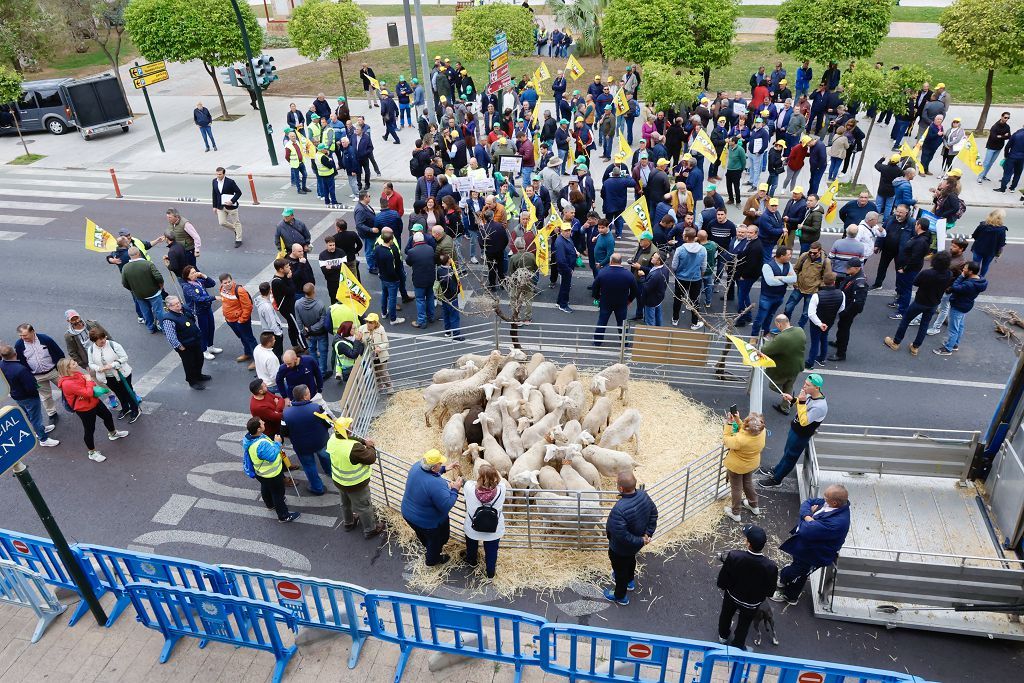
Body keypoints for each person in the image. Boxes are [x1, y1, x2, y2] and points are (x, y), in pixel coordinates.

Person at [771, 484, 850, 605]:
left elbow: (806, 530)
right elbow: (807, 502)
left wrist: (807, 517)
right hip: (807, 548)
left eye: (826, 496)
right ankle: (787, 580)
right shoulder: (831, 504)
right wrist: (808, 517)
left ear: (834, 502)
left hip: (815, 554)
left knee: (797, 573)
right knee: (798, 568)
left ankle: (790, 596)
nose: (823, 498)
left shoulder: (837, 522)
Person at [758, 374, 828, 487]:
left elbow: (804, 421)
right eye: (805, 383)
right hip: (795, 429)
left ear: (816, 388)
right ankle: (777, 470)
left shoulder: (820, 407)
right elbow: (804, 406)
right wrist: (793, 399)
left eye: (807, 385)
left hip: (801, 434)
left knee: (790, 456)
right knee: (787, 451)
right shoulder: (811, 395)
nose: (804, 386)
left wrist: (800, 402)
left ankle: (777, 480)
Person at [717, 524, 778, 651]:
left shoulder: (734, 556)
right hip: (751, 603)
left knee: (726, 615)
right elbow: (770, 591)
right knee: (744, 624)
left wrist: (723, 587)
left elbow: (723, 578)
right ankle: (737, 646)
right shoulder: (771, 566)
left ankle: (723, 636)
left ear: (748, 543)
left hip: (732, 596)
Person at [56, 358, 128, 463]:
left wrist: (88, 384)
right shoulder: (67, 383)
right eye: (73, 364)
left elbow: (91, 387)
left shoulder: (77, 374)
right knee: (89, 430)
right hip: (84, 409)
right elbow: (89, 391)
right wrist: (88, 382)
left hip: (94, 402)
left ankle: (113, 433)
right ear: (67, 369)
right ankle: (92, 452)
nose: (76, 364)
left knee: (107, 415)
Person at [603, 471, 658, 606]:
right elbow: (654, 514)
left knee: (620, 570)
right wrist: (647, 535)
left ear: (621, 488)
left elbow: (621, 535)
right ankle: (630, 581)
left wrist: (641, 540)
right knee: (631, 559)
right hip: (635, 544)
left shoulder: (619, 509)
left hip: (620, 548)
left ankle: (620, 596)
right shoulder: (643, 495)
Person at [326, 417, 385, 538]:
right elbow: (370, 458)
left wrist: (363, 441)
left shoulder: (332, 439)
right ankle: (370, 530)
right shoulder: (353, 448)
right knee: (364, 507)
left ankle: (349, 522)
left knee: (345, 503)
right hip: (355, 484)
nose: (352, 427)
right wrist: (370, 446)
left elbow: (349, 439)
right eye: (350, 426)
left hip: (339, 480)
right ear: (348, 430)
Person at [885, 250, 953, 355]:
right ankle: (915, 347)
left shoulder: (927, 273)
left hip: (920, 301)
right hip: (933, 303)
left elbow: (916, 282)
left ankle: (896, 342)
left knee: (906, 320)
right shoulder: (949, 274)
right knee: (924, 324)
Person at [402, 450, 462, 566]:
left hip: (408, 513)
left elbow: (430, 475)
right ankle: (432, 560)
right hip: (427, 522)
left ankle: (427, 544)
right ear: (434, 468)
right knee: (436, 541)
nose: (441, 464)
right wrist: (455, 489)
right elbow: (446, 506)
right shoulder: (436, 484)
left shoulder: (416, 466)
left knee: (423, 535)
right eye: (440, 463)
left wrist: (445, 468)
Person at [242, 417, 301, 524]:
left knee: (265, 487)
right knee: (278, 494)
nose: (264, 422)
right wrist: (277, 443)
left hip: (261, 474)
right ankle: (284, 516)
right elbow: (272, 456)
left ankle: (270, 504)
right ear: (258, 429)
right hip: (272, 474)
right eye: (261, 423)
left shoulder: (251, 438)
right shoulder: (261, 444)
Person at [0, 344, 59, 447]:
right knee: (36, 418)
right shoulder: (20, 369)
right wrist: (36, 392)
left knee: (30, 415)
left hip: (16, 396)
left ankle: (39, 430)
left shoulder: (1, 365)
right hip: (29, 397)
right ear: (15, 353)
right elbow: (31, 387)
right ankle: (43, 439)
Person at [283, 384, 331, 495]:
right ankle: (331, 473)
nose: (310, 394)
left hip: (301, 446)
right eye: (309, 392)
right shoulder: (317, 408)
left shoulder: (286, 414)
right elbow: (329, 423)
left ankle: (317, 488)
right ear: (305, 397)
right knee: (326, 457)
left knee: (309, 466)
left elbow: (284, 432)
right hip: (321, 442)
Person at [86, 329, 140, 423]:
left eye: (103, 337)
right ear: (94, 341)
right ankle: (125, 408)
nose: (103, 340)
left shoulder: (113, 345)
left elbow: (124, 357)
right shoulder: (91, 350)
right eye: (99, 339)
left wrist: (112, 365)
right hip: (107, 377)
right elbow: (90, 363)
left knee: (128, 392)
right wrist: (99, 368)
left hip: (122, 374)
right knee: (118, 393)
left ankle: (135, 410)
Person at [462, 462, 506, 579]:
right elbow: (501, 482)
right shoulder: (502, 489)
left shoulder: (469, 488)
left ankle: (471, 561)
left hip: (473, 528)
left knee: (471, 545)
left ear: (479, 478)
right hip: (494, 530)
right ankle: (490, 573)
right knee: (491, 551)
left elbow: (466, 483)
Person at [935, 261, 988, 356]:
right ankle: (955, 344)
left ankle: (948, 349)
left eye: (966, 268)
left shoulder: (968, 284)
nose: (963, 269)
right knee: (960, 325)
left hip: (958, 305)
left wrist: (961, 276)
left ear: (971, 272)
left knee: (953, 328)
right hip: (966, 305)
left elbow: (955, 287)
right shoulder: (980, 280)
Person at [14, 323, 65, 420]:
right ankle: (52, 413)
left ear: (33, 332)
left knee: (67, 388)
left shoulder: (45, 339)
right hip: (37, 376)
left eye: (25, 335)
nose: (23, 338)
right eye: (20, 335)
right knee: (46, 396)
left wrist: (62, 369)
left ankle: (73, 405)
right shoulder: (19, 345)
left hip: (53, 371)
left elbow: (59, 353)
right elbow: (21, 362)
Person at [722, 411, 766, 522]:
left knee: (736, 488)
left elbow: (726, 440)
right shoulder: (762, 431)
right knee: (747, 483)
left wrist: (728, 424)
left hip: (737, 466)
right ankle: (754, 505)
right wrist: (738, 420)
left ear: (746, 426)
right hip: (751, 463)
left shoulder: (740, 440)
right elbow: (749, 430)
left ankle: (735, 512)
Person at [761, 314, 806, 414]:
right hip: (797, 366)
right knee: (789, 385)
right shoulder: (800, 331)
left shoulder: (782, 338)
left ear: (779, 325)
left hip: (784, 369)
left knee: (773, 386)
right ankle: (785, 407)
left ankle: (789, 398)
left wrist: (768, 340)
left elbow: (765, 350)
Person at [161, 296, 208, 390]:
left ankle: (198, 375)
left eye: (179, 302)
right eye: (175, 304)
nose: (179, 305)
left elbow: (193, 318)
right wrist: (179, 346)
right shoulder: (168, 319)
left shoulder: (184, 309)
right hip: (185, 346)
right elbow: (171, 336)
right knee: (189, 364)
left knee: (199, 359)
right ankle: (192, 381)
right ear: (169, 307)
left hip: (195, 340)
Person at [592, 253, 639, 345]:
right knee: (622, 323)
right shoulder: (628, 275)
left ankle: (597, 341)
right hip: (622, 303)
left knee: (602, 321)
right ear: (621, 262)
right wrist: (629, 300)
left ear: (611, 261)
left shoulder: (602, 273)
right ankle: (624, 342)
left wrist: (598, 297)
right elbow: (634, 290)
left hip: (605, 302)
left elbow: (595, 288)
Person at [890, 217, 932, 320]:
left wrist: (904, 269)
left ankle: (902, 311)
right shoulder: (920, 238)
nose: (915, 225)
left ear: (919, 226)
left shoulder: (921, 241)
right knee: (902, 287)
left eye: (916, 224)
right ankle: (900, 303)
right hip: (906, 268)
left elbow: (915, 258)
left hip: (909, 270)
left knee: (906, 290)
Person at [752, 246, 796, 338]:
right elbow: (770, 282)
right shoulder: (767, 265)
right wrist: (786, 279)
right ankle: (754, 336)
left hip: (779, 296)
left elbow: (794, 279)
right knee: (760, 318)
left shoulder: (788, 264)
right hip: (767, 297)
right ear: (781, 256)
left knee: (770, 316)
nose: (790, 256)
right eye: (788, 255)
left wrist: (779, 277)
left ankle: (765, 332)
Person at [783, 242, 831, 328]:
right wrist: (795, 282)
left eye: (815, 253)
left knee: (806, 314)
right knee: (788, 308)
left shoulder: (826, 262)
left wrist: (818, 287)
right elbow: (795, 270)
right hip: (799, 288)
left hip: (812, 291)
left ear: (820, 251)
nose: (812, 254)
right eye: (810, 252)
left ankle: (799, 329)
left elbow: (826, 278)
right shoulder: (804, 256)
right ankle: (785, 327)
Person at [829, 258, 868, 362]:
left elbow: (857, 303)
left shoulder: (860, 282)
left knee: (844, 330)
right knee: (841, 326)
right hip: (846, 306)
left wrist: (845, 312)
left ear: (856, 268)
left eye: (849, 267)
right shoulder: (854, 276)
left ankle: (841, 353)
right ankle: (838, 342)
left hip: (849, 310)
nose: (846, 268)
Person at [180, 265, 222, 361]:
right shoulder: (187, 287)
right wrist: (214, 297)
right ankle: (204, 350)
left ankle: (210, 346)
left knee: (211, 327)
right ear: (187, 276)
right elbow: (198, 299)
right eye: (193, 273)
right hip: (199, 311)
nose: (195, 274)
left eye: (195, 271)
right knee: (203, 331)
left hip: (207, 308)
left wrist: (203, 275)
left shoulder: (199, 281)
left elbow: (212, 283)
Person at [120, 247, 165, 333]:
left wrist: (133, 289)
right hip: (154, 292)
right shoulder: (148, 264)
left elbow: (125, 284)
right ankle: (163, 328)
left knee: (146, 312)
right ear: (139, 253)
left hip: (139, 294)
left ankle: (151, 328)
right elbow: (158, 277)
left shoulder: (125, 268)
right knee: (159, 311)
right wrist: (160, 286)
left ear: (129, 256)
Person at [217, 274, 257, 369]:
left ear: (232, 280)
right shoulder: (222, 289)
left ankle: (257, 360)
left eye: (229, 281)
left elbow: (248, 307)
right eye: (225, 283)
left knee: (249, 338)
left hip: (240, 321)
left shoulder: (240, 290)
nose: (227, 284)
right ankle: (247, 353)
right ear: (221, 284)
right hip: (230, 320)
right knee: (242, 337)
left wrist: (241, 320)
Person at [805, 272, 844, 369]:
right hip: (830, 320)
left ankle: (810, 362)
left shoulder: (817, 296)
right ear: (834, 282)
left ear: (823, 281)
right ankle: (822, 358)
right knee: (824, 338)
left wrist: (819, 323)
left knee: (815, 342)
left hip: (817, 322)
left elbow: (811, 313)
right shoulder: (841, 294)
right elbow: (841, 308)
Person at [670, 229, 708, 330]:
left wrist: (678, 272)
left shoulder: (680, 249)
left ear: (686, 237)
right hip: (695, 279)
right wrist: (700, 274)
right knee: (695, 301)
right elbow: (704, 266)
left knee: (678, 299)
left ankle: (675, 319)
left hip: (681, 278)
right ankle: (694, 323)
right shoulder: (702, 249)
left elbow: (674, 266)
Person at [295, 283, 330, 378]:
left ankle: (315, 369)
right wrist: (312, 328)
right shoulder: (320, 305)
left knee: (312, 350)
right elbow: (322, 321)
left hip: (309, 333)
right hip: (320, 332)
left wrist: (305, 332)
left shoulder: (297, 304)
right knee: (323, 352)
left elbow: (298, 321)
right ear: (313, 291)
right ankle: (322, 372)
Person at [373, 228, 406, 325]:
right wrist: (396, 278)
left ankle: (383, 313)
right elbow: (391, 269)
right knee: (392, 299)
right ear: (391, 240)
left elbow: (376, 260)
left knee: (384, 294)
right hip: (391, 279)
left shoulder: (378, 248)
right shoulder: (389, 253)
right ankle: (393, 319)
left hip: (383, 276)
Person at [406, 232, 437, 328]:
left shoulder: (412, 251)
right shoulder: (430, 248)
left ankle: (421, 321)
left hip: (419, 280)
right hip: (430, 278)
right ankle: (431, 317)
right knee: (430, 297)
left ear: (414, 240)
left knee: (420, 300)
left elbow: (408, 262)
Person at [358, 313, 392, 391]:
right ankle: (379, 386)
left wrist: (380, 347)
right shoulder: (361, 328)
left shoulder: (381, 329)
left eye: (371, 322)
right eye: (367, 321)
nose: (368, 324)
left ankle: (389, 387)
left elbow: (386, 343)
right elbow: (360, 342)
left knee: (383, 372)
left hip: (380, 355)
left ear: (376, 323)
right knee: (375, 373)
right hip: (369, 356)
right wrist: (359, 339)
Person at [211, 167, 243, 247]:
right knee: (222, 222)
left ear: (224, 174)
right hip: (220, 206)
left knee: (236, 222)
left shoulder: (230, 182)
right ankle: (236, 230)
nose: (218, 176)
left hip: (231, 206)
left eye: (220, 174)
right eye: (217, 174)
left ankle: (238, 239)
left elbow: (239, 192)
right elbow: (214, 194)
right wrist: (214, 206)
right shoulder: (214, 181)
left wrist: (232, 201)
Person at [970, 208, 1008, 278]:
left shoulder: (982, 225)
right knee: (985, 265)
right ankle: (981, 278)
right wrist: (998, 253)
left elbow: (975, 235)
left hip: (978, 248)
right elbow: (1001, 243)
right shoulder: (1002, 230)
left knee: (975, 264)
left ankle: (973, 277)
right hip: (991, 251)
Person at [255, 284, 286, 359]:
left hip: (267, 330)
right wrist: (279, 333)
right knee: (277, 352)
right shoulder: (267, 307)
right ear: (270, 290)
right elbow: (272, 323)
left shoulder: (259, 300)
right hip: (273, 332)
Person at [979, 112, 1012, 183]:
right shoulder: (995, 127)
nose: (1006, 119)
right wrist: (1004, 135)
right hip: (991, 147)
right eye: (1005, 117)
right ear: (1001, 117)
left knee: (991, 163)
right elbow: (994, 138)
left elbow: (1009, 136)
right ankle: (980, 177)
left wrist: (1000, 136)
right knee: (986, 162)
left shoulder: (1007, 127)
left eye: (1008, 118)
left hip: (999, 148)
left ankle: (984, 175)